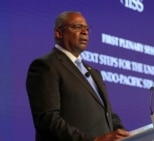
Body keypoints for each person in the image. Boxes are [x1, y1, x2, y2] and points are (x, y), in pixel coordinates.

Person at [26, 11, 130, 141]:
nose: (85, 32)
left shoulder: (94, 72)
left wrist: (127, 135)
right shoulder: (46, 66)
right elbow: (47, 120)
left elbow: (107, 114)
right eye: (77, 27)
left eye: (86, 28)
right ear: (59, 33)